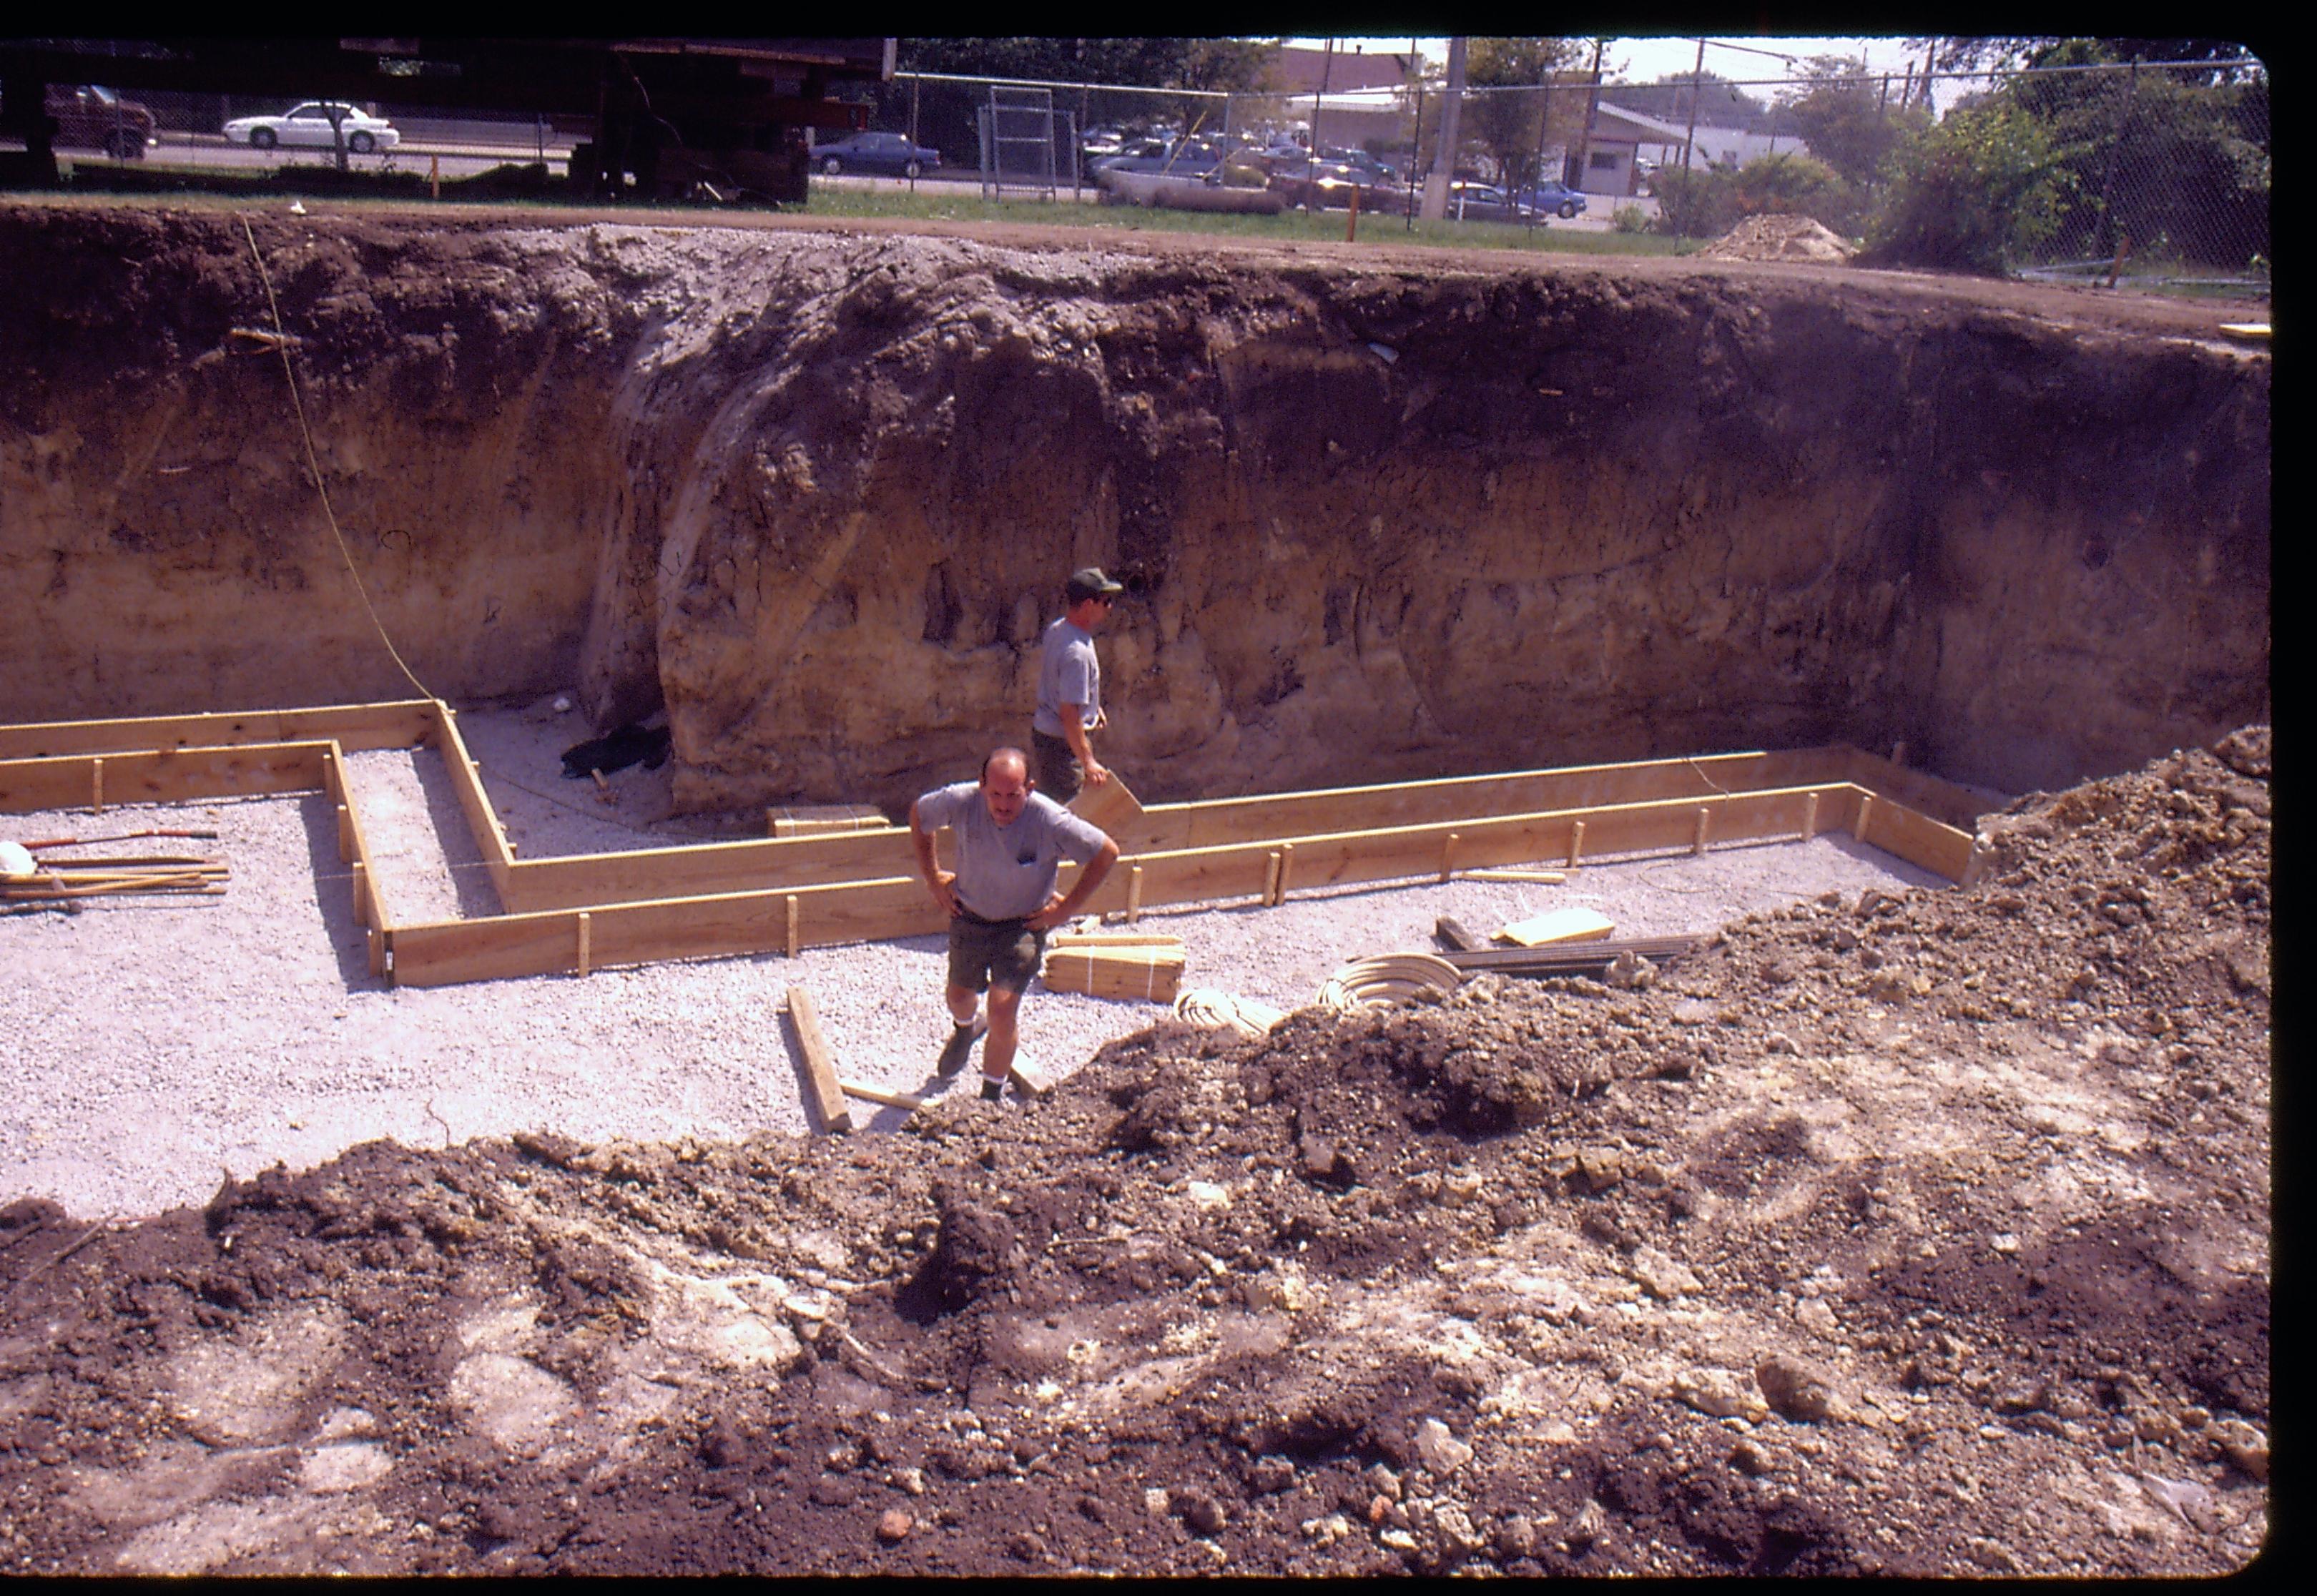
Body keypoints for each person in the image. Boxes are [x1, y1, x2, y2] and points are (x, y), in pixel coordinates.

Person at [910, 747, 1119, 1103]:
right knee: (960, 996)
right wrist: (932, 879)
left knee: (1003, 1007)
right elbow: (919, 815)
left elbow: (1106, 852)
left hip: (1022, 925)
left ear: (1030, 789)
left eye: (1013, 795)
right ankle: (965, 1029)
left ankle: (990, 1095)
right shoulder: (962, 802)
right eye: (996, 795)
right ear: (982, 786)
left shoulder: (1050, 820)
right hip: (970, 916)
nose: (1004, 805)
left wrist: (1064, 910)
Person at [1032, 566, 1124, 806]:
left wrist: (1092, 708)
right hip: (1062, 747)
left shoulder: (1058, 630)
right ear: (1087, 605)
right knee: (1070, 817)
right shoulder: (1077, 654)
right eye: (1104, 601)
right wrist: (1088, 762)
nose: (1109, 607)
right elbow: (1069, 716)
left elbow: (1060, 685)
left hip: (1048, 737)